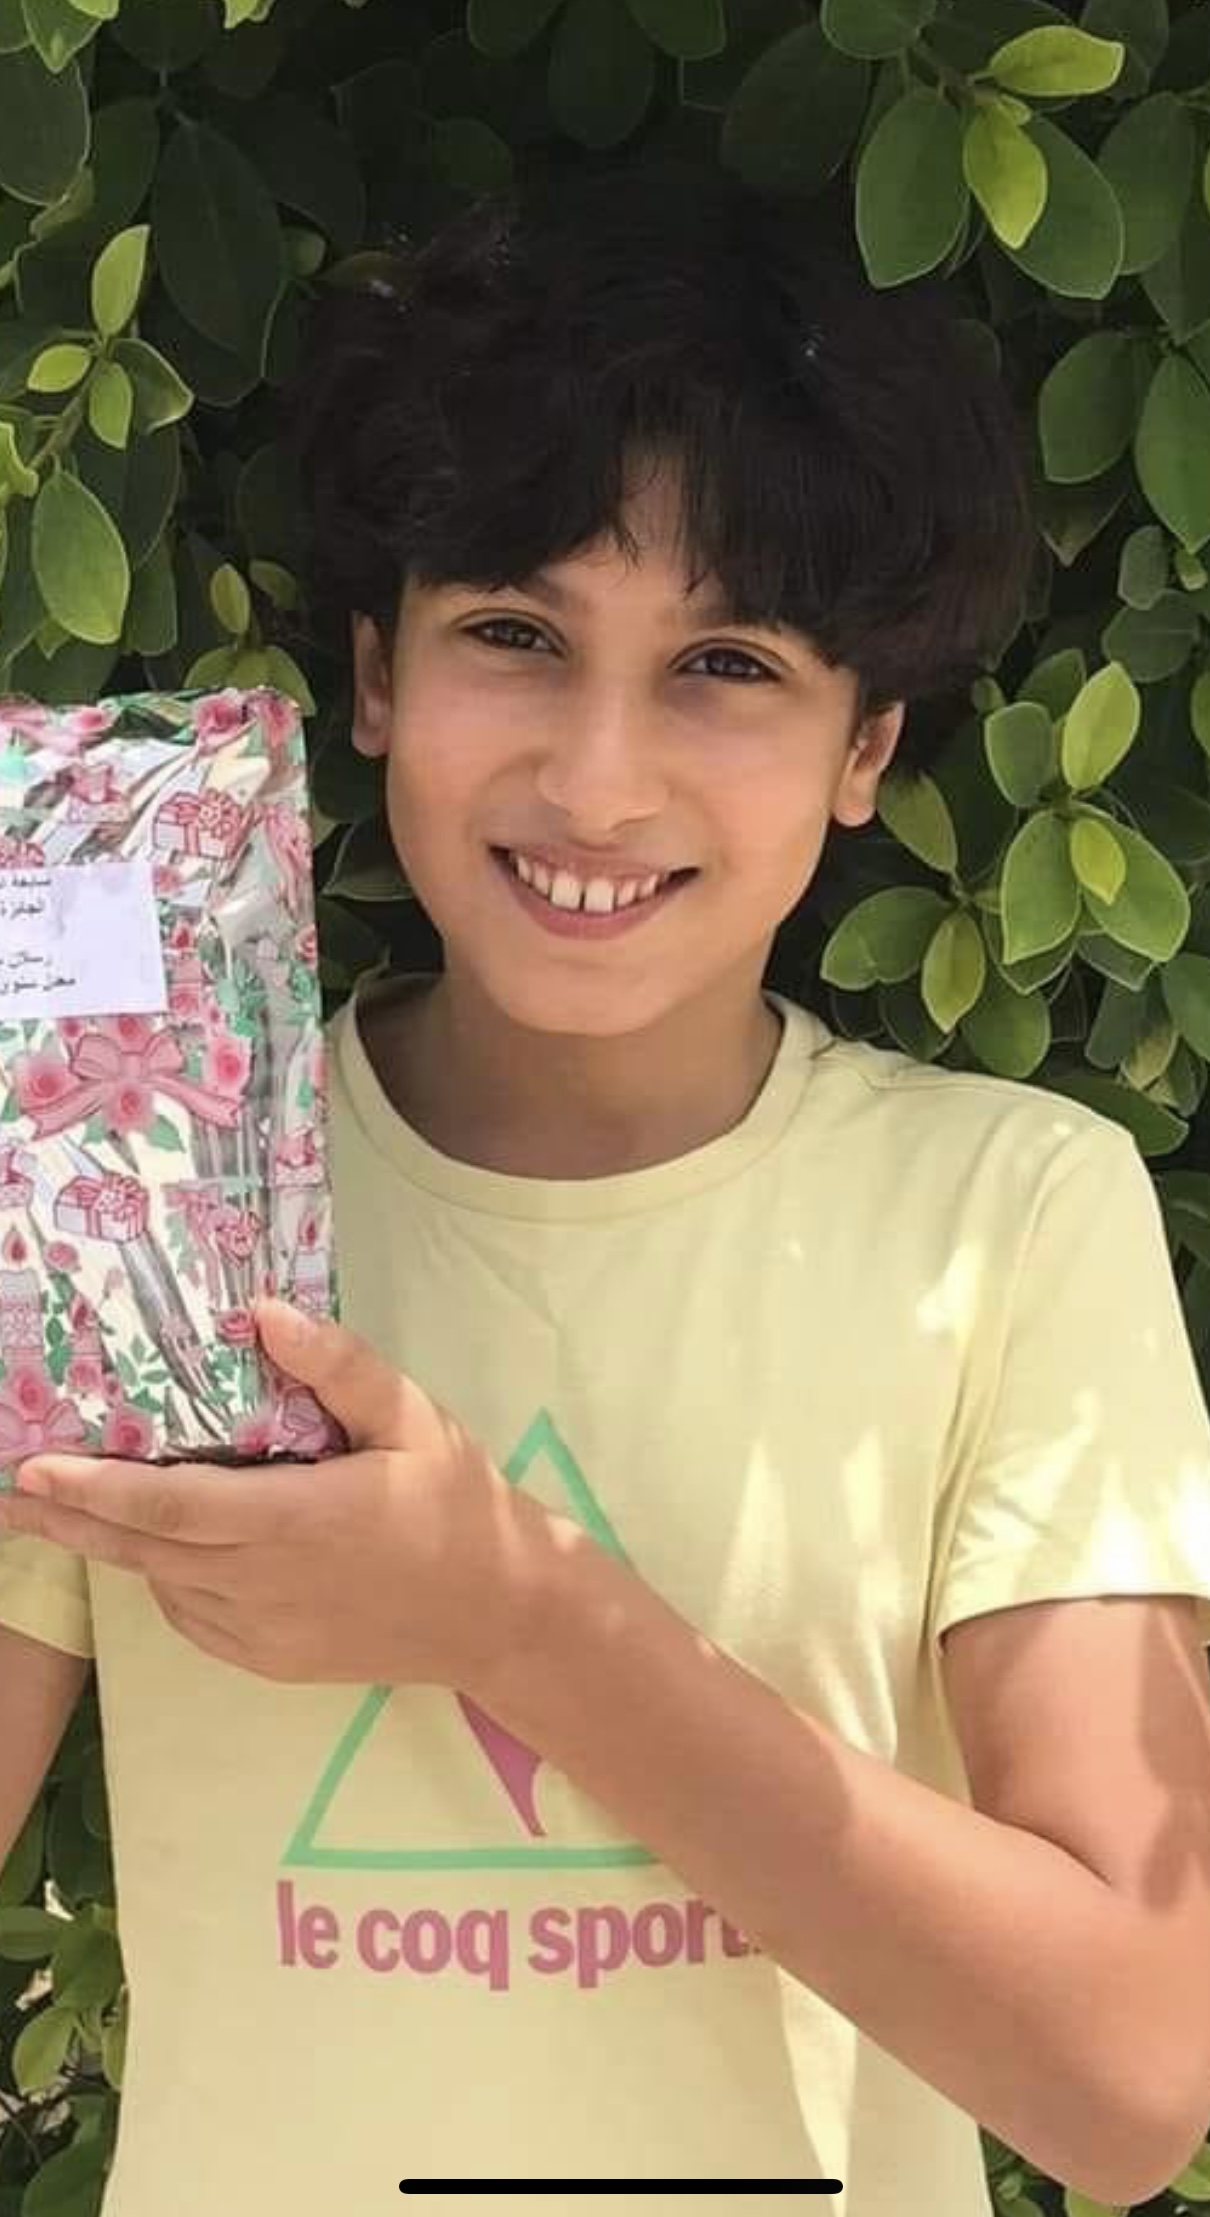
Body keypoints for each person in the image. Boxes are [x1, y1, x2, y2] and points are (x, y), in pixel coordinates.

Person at [2, 151, 1210, 2217]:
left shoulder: (1010, 1211)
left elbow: (1123, 2083)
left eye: (724, 664)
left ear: (865, 741)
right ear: (376, 674)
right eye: (512, 630)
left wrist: (513, 1617)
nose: (595, 778)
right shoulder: (133, 1181)